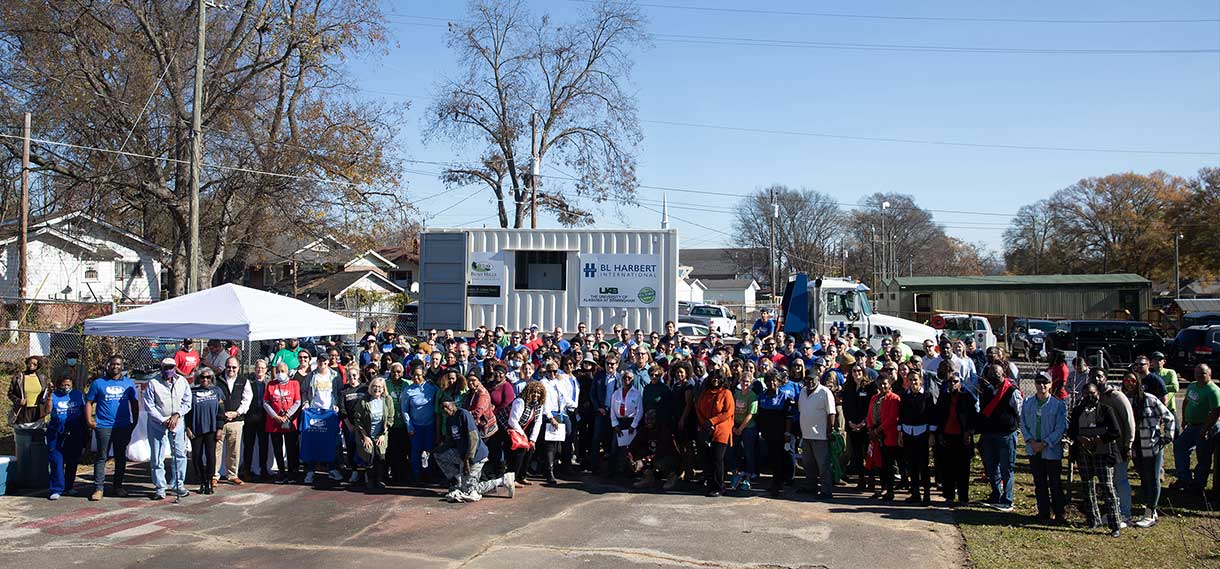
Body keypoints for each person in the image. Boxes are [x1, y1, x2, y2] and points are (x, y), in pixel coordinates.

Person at [1069, 381, 1124, 537]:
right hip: (1083, 453)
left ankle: (1115, 524)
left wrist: (1100, 439)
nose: (1089, 396)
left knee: (1107, 487)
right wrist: (1080, 437)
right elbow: (1071, 431)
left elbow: (1115, 431)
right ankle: (1093, 520)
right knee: (1087, 487)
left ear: (1098, 394)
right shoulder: (1077, 410)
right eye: (1086, 394)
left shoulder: (1106, 410)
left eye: (1092, 393)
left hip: (1102, 453)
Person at [1123, 371, 1175, 528]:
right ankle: (1149, 506)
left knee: (1153, 478)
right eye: (1126, 380)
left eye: (1132, 380)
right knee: (1143, 477)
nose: (1129, 383)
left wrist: (1166, 437)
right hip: (1135, 446)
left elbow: (1169, 417)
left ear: (1138, 382)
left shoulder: (1150, 399)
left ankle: (1151, 511)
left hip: (1151, 444)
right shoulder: (1124, 400)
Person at [436, 401, 514, 502]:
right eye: (442, 409)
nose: (445, 410)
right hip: (462, 454)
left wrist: (467, 460)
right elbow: (450, 441)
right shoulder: (450, 420)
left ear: (453, 405)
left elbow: (474, 438)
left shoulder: (463, 414)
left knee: (469, 490)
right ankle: (458, 480)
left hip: (475, 455)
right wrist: (437, 449)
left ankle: (502, 480)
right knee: (439, 455)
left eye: (446, 407)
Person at [85, 355, 139, 501]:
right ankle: (98, 488)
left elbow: (134, 403)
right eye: (112, 364)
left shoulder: (128, 384)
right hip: (103, 426)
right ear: (107, 365)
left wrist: (134, 421)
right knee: (102, 457)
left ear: (122, 366)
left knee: (120, 457)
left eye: (117, 364)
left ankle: (118, 486)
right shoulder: (98, 383)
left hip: (122, 426)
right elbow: (89, 402)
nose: (114, 366)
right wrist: (90, 421)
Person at [1019, 373, 1068, 522]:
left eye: (1045, 383)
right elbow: (1023, 423)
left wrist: (1046, 443)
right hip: (1033, 448)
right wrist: (1031, 441)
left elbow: (1060, 428)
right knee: (1039, 483)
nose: (1041, 385)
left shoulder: (1058, 405)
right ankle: (1043, 512)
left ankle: (1059, 513)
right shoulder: (1027, 403)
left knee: (1055, 483)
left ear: (1050, 385)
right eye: (1038, 382)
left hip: (1051, 450)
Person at [143, 358, 191, 500]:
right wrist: (162, 420)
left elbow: (187, 402)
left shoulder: (182, 381)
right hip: (158, 424)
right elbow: (149, 405)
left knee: (180, 455)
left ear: (175, 368)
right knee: (158, 456)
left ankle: (178, 484)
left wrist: (177, 415)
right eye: (165, 367)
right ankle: (160, 487)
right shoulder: (153, 383)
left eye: (171, 367)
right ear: (161, 368)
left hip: (177, 423)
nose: (168, 370)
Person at [977, 363, 1021, 512]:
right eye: (990, 373)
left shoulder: (1012, 391)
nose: (993, 376)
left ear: (1004, 374)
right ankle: (996, 494)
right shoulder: (988, 391)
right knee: (991, 466)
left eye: (996, 373)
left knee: (1006, 468)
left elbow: (1019, 412)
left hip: (1006, 435)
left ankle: (1007, 500)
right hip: (989, 434)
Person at [1172, 363, 1220, 493]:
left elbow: (1215, 413)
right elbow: (1186, 401)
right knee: (1180, 446)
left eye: (1203, 373)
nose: (1199, 375)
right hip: (1191, 425)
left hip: (1205, 427)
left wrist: (1205, 430)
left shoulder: (1213, 391)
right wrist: (1185, 419)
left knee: (1203, 456)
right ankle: (1184, 479)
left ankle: (1198, 485)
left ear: (1209, 374)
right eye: (1197, 373)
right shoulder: (1193, 385)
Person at [1097, 369, 1135, 526]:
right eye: (1094, 376)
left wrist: (1129, 444)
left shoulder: (1117, 396)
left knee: (1120, 479)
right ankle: (1113, 512)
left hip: (1120, 447)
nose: (1097, 379)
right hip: (1103, 447)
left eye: (1100, 376)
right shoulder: (1094, 396)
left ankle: (1125, 514)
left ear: (1106, 378)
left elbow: (1129, 421)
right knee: (1109, 481)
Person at [933, 371, 977, 505]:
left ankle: (963, 497)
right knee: (948, 468)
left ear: (960, 383)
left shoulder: (967, 397)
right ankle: (949, 496)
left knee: (963, 469)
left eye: (955, 381)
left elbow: (972, 417)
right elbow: (939, 417)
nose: (952, 384)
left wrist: (968, 433)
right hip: (947, 437)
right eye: (950, 381)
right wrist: (939, 435)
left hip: (962, 437)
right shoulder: (943, 397)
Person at [797, 365, 838, 499]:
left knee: (823, 465)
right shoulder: (803, 391)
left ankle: (826, 490)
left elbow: (831, 412)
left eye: (812, 379)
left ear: (818, 379)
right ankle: (811, 487)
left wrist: (829, 430)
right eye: (807, 379)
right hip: (806, 434)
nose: (809, 382)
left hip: (820, 435)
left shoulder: (825, 392)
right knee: (808, 464)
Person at [300, 357, 342, 484]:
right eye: (320, 361)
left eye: (325, 361)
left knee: (330, 441)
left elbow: (340, 393)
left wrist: (337, 405)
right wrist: (306, 403)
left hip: (329, 413)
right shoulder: (312, 376)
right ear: (317, 362)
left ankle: (332, 469)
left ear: (328, 362)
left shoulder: (335, 375)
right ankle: (310, 471)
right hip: (314, 413)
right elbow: (304, 391)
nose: (322, 364)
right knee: (313, 442)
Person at [44, 374, 85, 500]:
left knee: (72, 460)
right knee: (57, 461)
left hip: (74, 431)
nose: (66, 387)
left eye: (68, 385)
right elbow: (47, 410)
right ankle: (56, 488)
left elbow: (83, 410)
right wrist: (50, 395)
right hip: (56, 432)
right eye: (63, 385)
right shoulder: (53, 395)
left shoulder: (77, 394)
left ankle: (69, 487)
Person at [350, 377, 395, 490]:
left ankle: (379, 479)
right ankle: (370, 479)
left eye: (379, 387)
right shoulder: (364, 401)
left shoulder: (387, 400)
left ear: (383, 388)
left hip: (381, 434)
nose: (377, 389)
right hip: (366, 433)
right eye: (375, 386)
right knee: (369, 455)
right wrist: (365, 437)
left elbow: (390, 418)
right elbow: (358, 419)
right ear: (371, 387)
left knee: (380, 456)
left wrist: (383, 434)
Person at [695, 367, 734, 497]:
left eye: (718, 378)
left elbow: (728, 412)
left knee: (718, 459)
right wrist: (705, 424)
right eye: (713, 377)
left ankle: (720, 486)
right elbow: (698, 409)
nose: (715, 380)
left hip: (721, 430)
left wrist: (712, 422)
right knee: (707, 459)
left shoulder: (726, 393)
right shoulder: (705, 393)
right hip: (706, 429)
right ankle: (710, 484)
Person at [213, 357, 251, 486]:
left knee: (234, 450)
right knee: (216, 449)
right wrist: (220, 413)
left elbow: (247, 400)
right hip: (219, 421)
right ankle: (214, 475)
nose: (231, 369)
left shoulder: (243, 381)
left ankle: (232, 475)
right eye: (229, 367)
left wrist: (237, 413)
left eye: (234, 367)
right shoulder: (216, 379)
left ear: (238, 368)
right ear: (225, 366)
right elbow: (212, 397)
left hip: (237, 420)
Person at [899, 372, 935, 504]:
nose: (913, 383)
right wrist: (900, 433)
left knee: (923, 465)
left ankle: (927, 494)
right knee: (911, 465)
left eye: (915, 380)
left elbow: (931, 415)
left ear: (920, 381)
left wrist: (931, 435)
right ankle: (915, 493)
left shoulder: (927, 395)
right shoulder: (905, 396)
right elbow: (901, 415)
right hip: (908, 432)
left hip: (922, 433)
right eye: (910, 380)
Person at [756, 371, 794, 496]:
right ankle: (775, 481)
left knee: (779, 458)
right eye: (768, 381)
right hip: (767, 432)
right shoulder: (761, 396)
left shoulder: (785, 397)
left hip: (780, 432)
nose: (771, 383)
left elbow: (788, 417)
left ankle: (777, 484)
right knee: (771, 457)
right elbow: (759, 415)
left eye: (774, 381)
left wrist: (787, 433)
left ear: (778, 382)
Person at [263, 362, 302, 484]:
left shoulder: (294, 383)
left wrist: (287, 415)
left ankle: (292, 472)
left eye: (283, 371)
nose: (280, 373)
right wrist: (275, 416)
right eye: (278, 371)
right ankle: (281, 472)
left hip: (289, 422)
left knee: (291, 448)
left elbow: (297, 401)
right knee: (277, 449)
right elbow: (265, 402)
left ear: (287, 371)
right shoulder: (271, 384)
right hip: (274, 423)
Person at [185, 369, 222, 495]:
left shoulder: (217, 391)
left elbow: (221, 411)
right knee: (196, 457)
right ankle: (201, 481)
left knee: (211, 457)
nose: (205, 380)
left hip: (211, 430)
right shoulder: (192, 392)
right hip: (196, 429)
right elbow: (187, 412)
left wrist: (220, 428)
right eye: (202, 377)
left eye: (208, 377)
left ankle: (209, 481)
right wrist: (188, 428)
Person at [867, 373, 902, 501]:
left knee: (889, 464)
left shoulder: (894, 398)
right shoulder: (874, 398)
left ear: (889, 384)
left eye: (885, 384)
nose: (882, 386)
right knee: (879, 463)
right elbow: (869, 414)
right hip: (876, 435)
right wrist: (871, 428)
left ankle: (890, 490)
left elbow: (893, 418)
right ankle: (883, 488)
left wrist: (879, 429)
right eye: (880, 384)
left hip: (888, 434)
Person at [401, 364, 439, 483]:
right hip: (416, 426)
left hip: (430, 425)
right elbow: (404, 410)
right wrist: (409, 426)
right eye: (414, 375)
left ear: (423, 374)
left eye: (419, 375)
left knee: (429, 450)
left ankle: (429, 475)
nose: (416, 377)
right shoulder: (408, 390)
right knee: (416, 452)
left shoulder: (432, 387)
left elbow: (439, 398)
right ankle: (416, 476)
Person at [842, 364, 877, 489]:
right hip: (852, 426)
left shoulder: (869, 387)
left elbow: (871, 407)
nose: (857, 373)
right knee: (857, 454)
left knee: (869, 453)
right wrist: (850, 422)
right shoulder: (848, 388)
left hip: (866, 426)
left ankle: (871, 479)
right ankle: (861, 479)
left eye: (859, 371)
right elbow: (845, 408)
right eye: (854, 371)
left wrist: (864, 422)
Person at [629, 409, 681, 490]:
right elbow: (633, 446)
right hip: (651, 457)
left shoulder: (664, 431)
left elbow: (662, 451)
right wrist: (631, 459)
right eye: (647, 419)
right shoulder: (643, 430)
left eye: (652, 419)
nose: (649, 421)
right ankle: (648, 478)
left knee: (659, 462)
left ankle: (672, 477)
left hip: (667, 458)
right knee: (637, 453)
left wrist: (644, 460)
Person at [507, 381, 545, 486]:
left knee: (530, 448)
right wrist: (523, 435)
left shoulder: (538, 405)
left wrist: (532, 440)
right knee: (521, 449)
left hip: (521, 429)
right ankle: (512, 478)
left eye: (538, 393)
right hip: (508, 428)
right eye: (533, 392)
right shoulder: (520, 401)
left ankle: (522, 476)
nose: (536, 395)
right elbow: (512, 421)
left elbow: (538, 422)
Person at [728, 365, 759, 492]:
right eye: (742, 381)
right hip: (735, 425)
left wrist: (740, 428)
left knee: (748, 451)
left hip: (748, 427)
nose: (744, 383)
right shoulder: (736, 394)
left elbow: (750, 414)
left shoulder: (752, 396)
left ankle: (749, 474)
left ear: (750, 383)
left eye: (747, 381)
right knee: (733, 450)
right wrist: (734, 427)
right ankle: (736, 473)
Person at [240, 359, 270, 482]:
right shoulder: (248, 382)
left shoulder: (268, 383)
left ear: (266, 370)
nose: (260, 370)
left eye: (263, 368)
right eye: (258, 367)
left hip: (264, 418)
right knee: (249, 445)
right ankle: (247, 469)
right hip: (250, 418)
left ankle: (263, 469)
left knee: (264, 445)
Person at [610, 369, 644, 476]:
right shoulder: (616, 393)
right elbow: (612, 410)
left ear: (633, 380)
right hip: (619, 422)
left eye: (629, 378)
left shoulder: (637, 394)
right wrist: (615, 424)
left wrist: (633, 425)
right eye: (625, 378)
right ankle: (614, 470)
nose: (627, 380)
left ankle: (629, 471)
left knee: (630, 448)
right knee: (615, 446)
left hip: (630, 422)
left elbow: (639, 411)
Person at [8, 355, 47, 425]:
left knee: (37, 432)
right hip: (23, 410)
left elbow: (45, 393)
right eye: (30, 363)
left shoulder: (42, 377)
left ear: (38, 365)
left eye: (35, 364)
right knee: (23, 433)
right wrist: (18, 401)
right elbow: (10, 393)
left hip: (38, 411)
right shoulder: (18, 377)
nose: (31, 365)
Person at [1149, 352, 1179, 433]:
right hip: (1155, 408)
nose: (1157, 361)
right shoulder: (1150, 375)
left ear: (1164, 361)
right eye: (1155, 359)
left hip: (1169, 407)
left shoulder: (1170, 372)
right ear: (1151, 362)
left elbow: (1175, 387)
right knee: (1154, 431)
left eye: (1160, 359)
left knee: (1176, 430)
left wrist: (1160, 388)